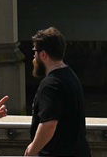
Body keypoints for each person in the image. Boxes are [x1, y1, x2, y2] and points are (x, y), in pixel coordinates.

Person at [25, 27, 89, 157]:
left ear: (43, 55)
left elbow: (49, 124)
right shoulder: (71, 76)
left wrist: (31, 150)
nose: (33, 57)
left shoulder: (50, 85)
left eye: (34, 52)